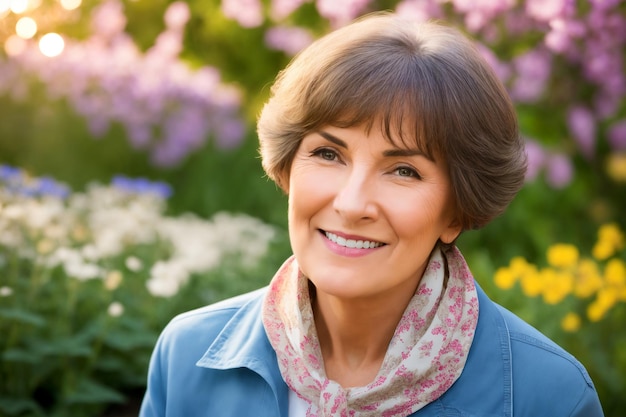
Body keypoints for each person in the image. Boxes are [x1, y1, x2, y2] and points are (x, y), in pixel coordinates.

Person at [139, 12, 604, 417]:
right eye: (327, 154)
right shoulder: (186, 358)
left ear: (456, 211)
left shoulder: (548, 398)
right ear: (286, 169)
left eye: (403, 170)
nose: (352, 203)